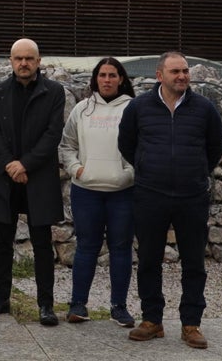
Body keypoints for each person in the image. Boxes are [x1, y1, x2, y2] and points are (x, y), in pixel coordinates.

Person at [118, 51, 222, 349]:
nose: (182, 76)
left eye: (185, 71)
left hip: (191, 197)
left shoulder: (204, 108)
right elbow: (126, 143)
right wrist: (146, 166)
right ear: (159, 75)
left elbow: (215, 146)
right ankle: (152, 320)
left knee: (194, 262)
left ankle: (191, 324)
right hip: (150, 195)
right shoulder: (139, 107)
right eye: (175, 71)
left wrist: (197, 171)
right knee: (149, 259)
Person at [0, 37, 65, 326]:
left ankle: (46, 305)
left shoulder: (53, 92)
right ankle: (0, 299)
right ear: (11, 61)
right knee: (2, 241)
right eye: (18, 58)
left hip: (37, 177)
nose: (24, 63)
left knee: (42, 243)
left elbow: (53, 134)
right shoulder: (0, 91)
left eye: (29, 58)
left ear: (39, 61)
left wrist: (25, 164)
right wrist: (10, 165)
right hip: (6, 178)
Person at [58, 57, 136, 327]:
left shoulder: (133, 108)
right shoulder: (82, 109)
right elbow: (66, 145)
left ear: (121, 78)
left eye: (112, 75)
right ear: (95, 78)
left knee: (121, 249)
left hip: (123, 192)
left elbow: (143, 147)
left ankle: (119, 307)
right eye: (102, 75)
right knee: (86, 248)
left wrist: (129, 173)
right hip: (86, 190)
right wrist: (77, 169)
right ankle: (78, 304)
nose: (107, 80)